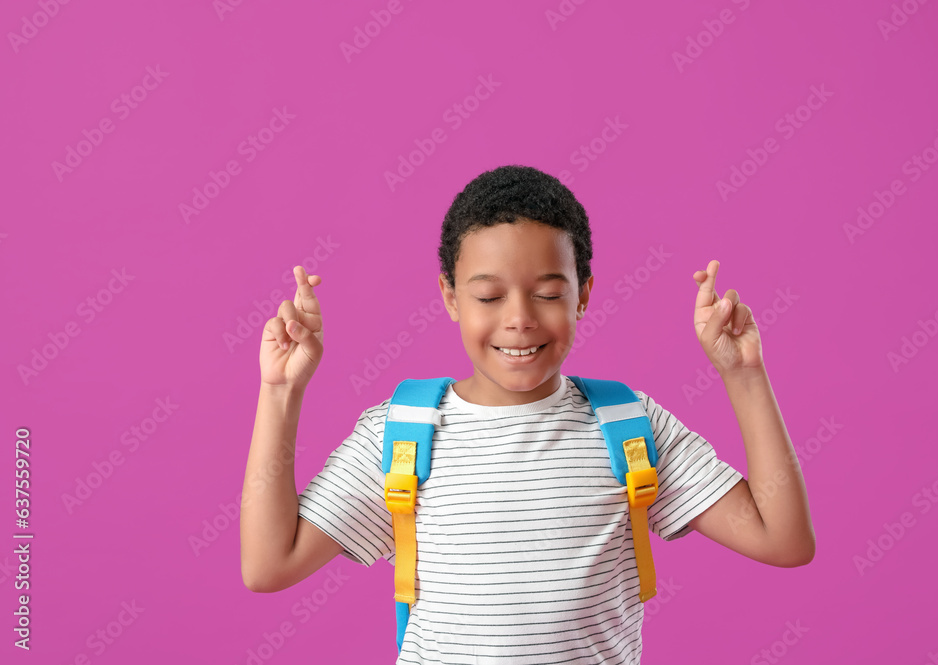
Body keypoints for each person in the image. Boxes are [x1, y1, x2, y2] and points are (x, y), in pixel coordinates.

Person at [240, 165, 815, 664]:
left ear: (583, 294)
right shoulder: (401, 434)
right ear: (449, 297)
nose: (519, 319)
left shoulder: (628, 426)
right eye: (489, 297)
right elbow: (269, 565)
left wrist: (744, 376)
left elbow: (784, 540)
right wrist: (281, 391)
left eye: (547, 292)